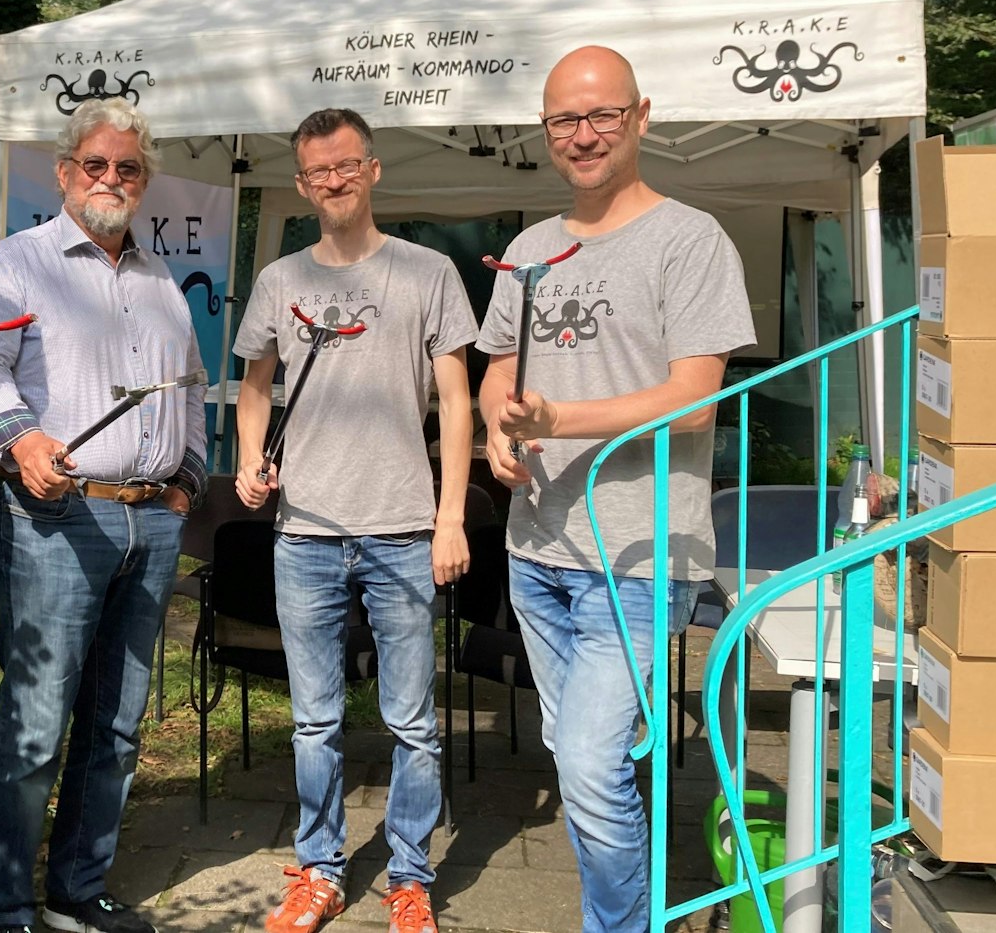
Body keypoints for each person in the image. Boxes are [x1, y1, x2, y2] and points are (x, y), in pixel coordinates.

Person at [476, 47, 755, 933]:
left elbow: (696, 399)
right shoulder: (529, 250)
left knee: (591, 769)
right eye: (565, 119)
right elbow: (499, 370)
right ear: (546, 130)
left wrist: (559, 419)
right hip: (536, 548)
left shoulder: (690, 239)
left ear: (641, 116)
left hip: (636, 553)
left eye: (602, 114)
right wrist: (496, 427)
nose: (584, 134)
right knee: (577, 757)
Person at [0, 97, 207, 933]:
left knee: (118, 725)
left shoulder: (160, 280)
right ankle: (3, 909)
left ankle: (76, 892)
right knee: (35, 725)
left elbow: (191, 387)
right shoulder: (16, 263)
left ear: (144, 181)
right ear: (64, 173)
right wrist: (21, 442)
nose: (110, 178)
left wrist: (186, 483)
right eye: (94, 164)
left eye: (127, 167)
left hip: (151, 522)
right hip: (54, 519)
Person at [234, 107, 477, 933]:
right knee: (315, 719)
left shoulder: (428, 272)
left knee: (413, 723)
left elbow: (456, 400)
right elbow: (255, 387)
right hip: (303, 531)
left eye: (346, 165)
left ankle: (410, 877)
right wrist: (250, 456)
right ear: (302, 185)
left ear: (372, 169)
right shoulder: (281, 280)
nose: (333, 181)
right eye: (317, 171)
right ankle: (320, 870)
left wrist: (450, 517)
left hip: (403, 529)